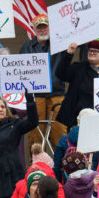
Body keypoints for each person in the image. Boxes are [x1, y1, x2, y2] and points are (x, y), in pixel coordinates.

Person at [20, 14, 67, 149]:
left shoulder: (60, 45)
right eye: (39, 28)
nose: (42, 31)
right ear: (34, 30)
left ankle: (61, 163)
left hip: (57, 92)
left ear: (50, 28)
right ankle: (36, 162)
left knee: (59, 130)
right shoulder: (26, 47)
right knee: (35, 131)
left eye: (45, 27)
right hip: (36, 95)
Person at [55, 39, 99, 129]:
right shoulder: (79, 67)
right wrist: (69, 54)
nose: (92, 53)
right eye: (90, 50)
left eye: (96, 51)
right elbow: (60, 74)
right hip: (76, 117)